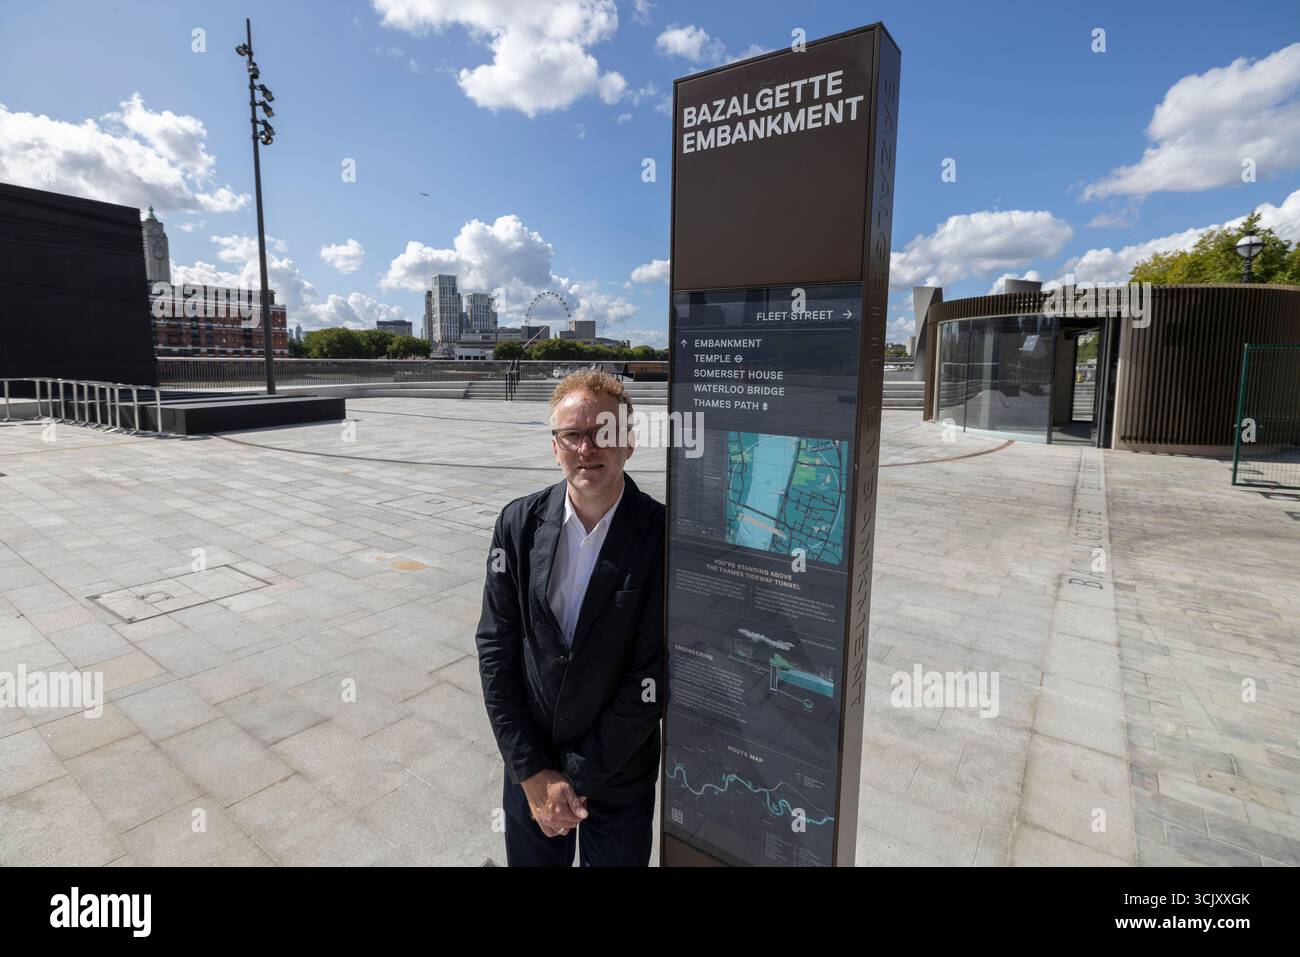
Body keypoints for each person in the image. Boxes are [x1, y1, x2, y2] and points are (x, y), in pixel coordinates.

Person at [475, 370, 665, 866]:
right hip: (531, 771)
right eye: (572, 435)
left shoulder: (661, 535)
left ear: (629, 444)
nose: (588, 448)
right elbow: (496, 649)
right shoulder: (517, 524)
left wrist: (570, 781)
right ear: (554, 446)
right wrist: (532, 772)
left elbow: (651, 678)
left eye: (604, 432)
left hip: (618, 773)